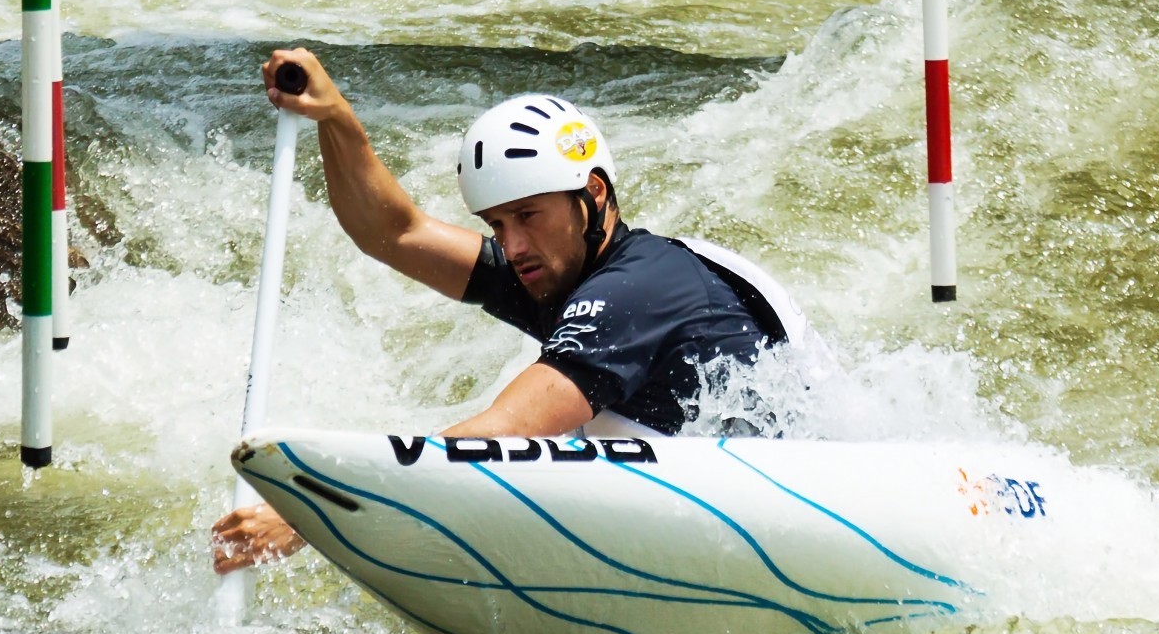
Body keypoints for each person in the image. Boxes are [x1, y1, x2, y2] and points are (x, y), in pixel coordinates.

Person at [211, 47, 810, 573]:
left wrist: (314, 512)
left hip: (782, 511)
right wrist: (336, 118)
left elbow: (504, 433)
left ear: (592, 196)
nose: (513, 245)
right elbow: (393, 232)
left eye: (528, 216)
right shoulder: (558, 266)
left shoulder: (636, 291)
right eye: (497, 223)